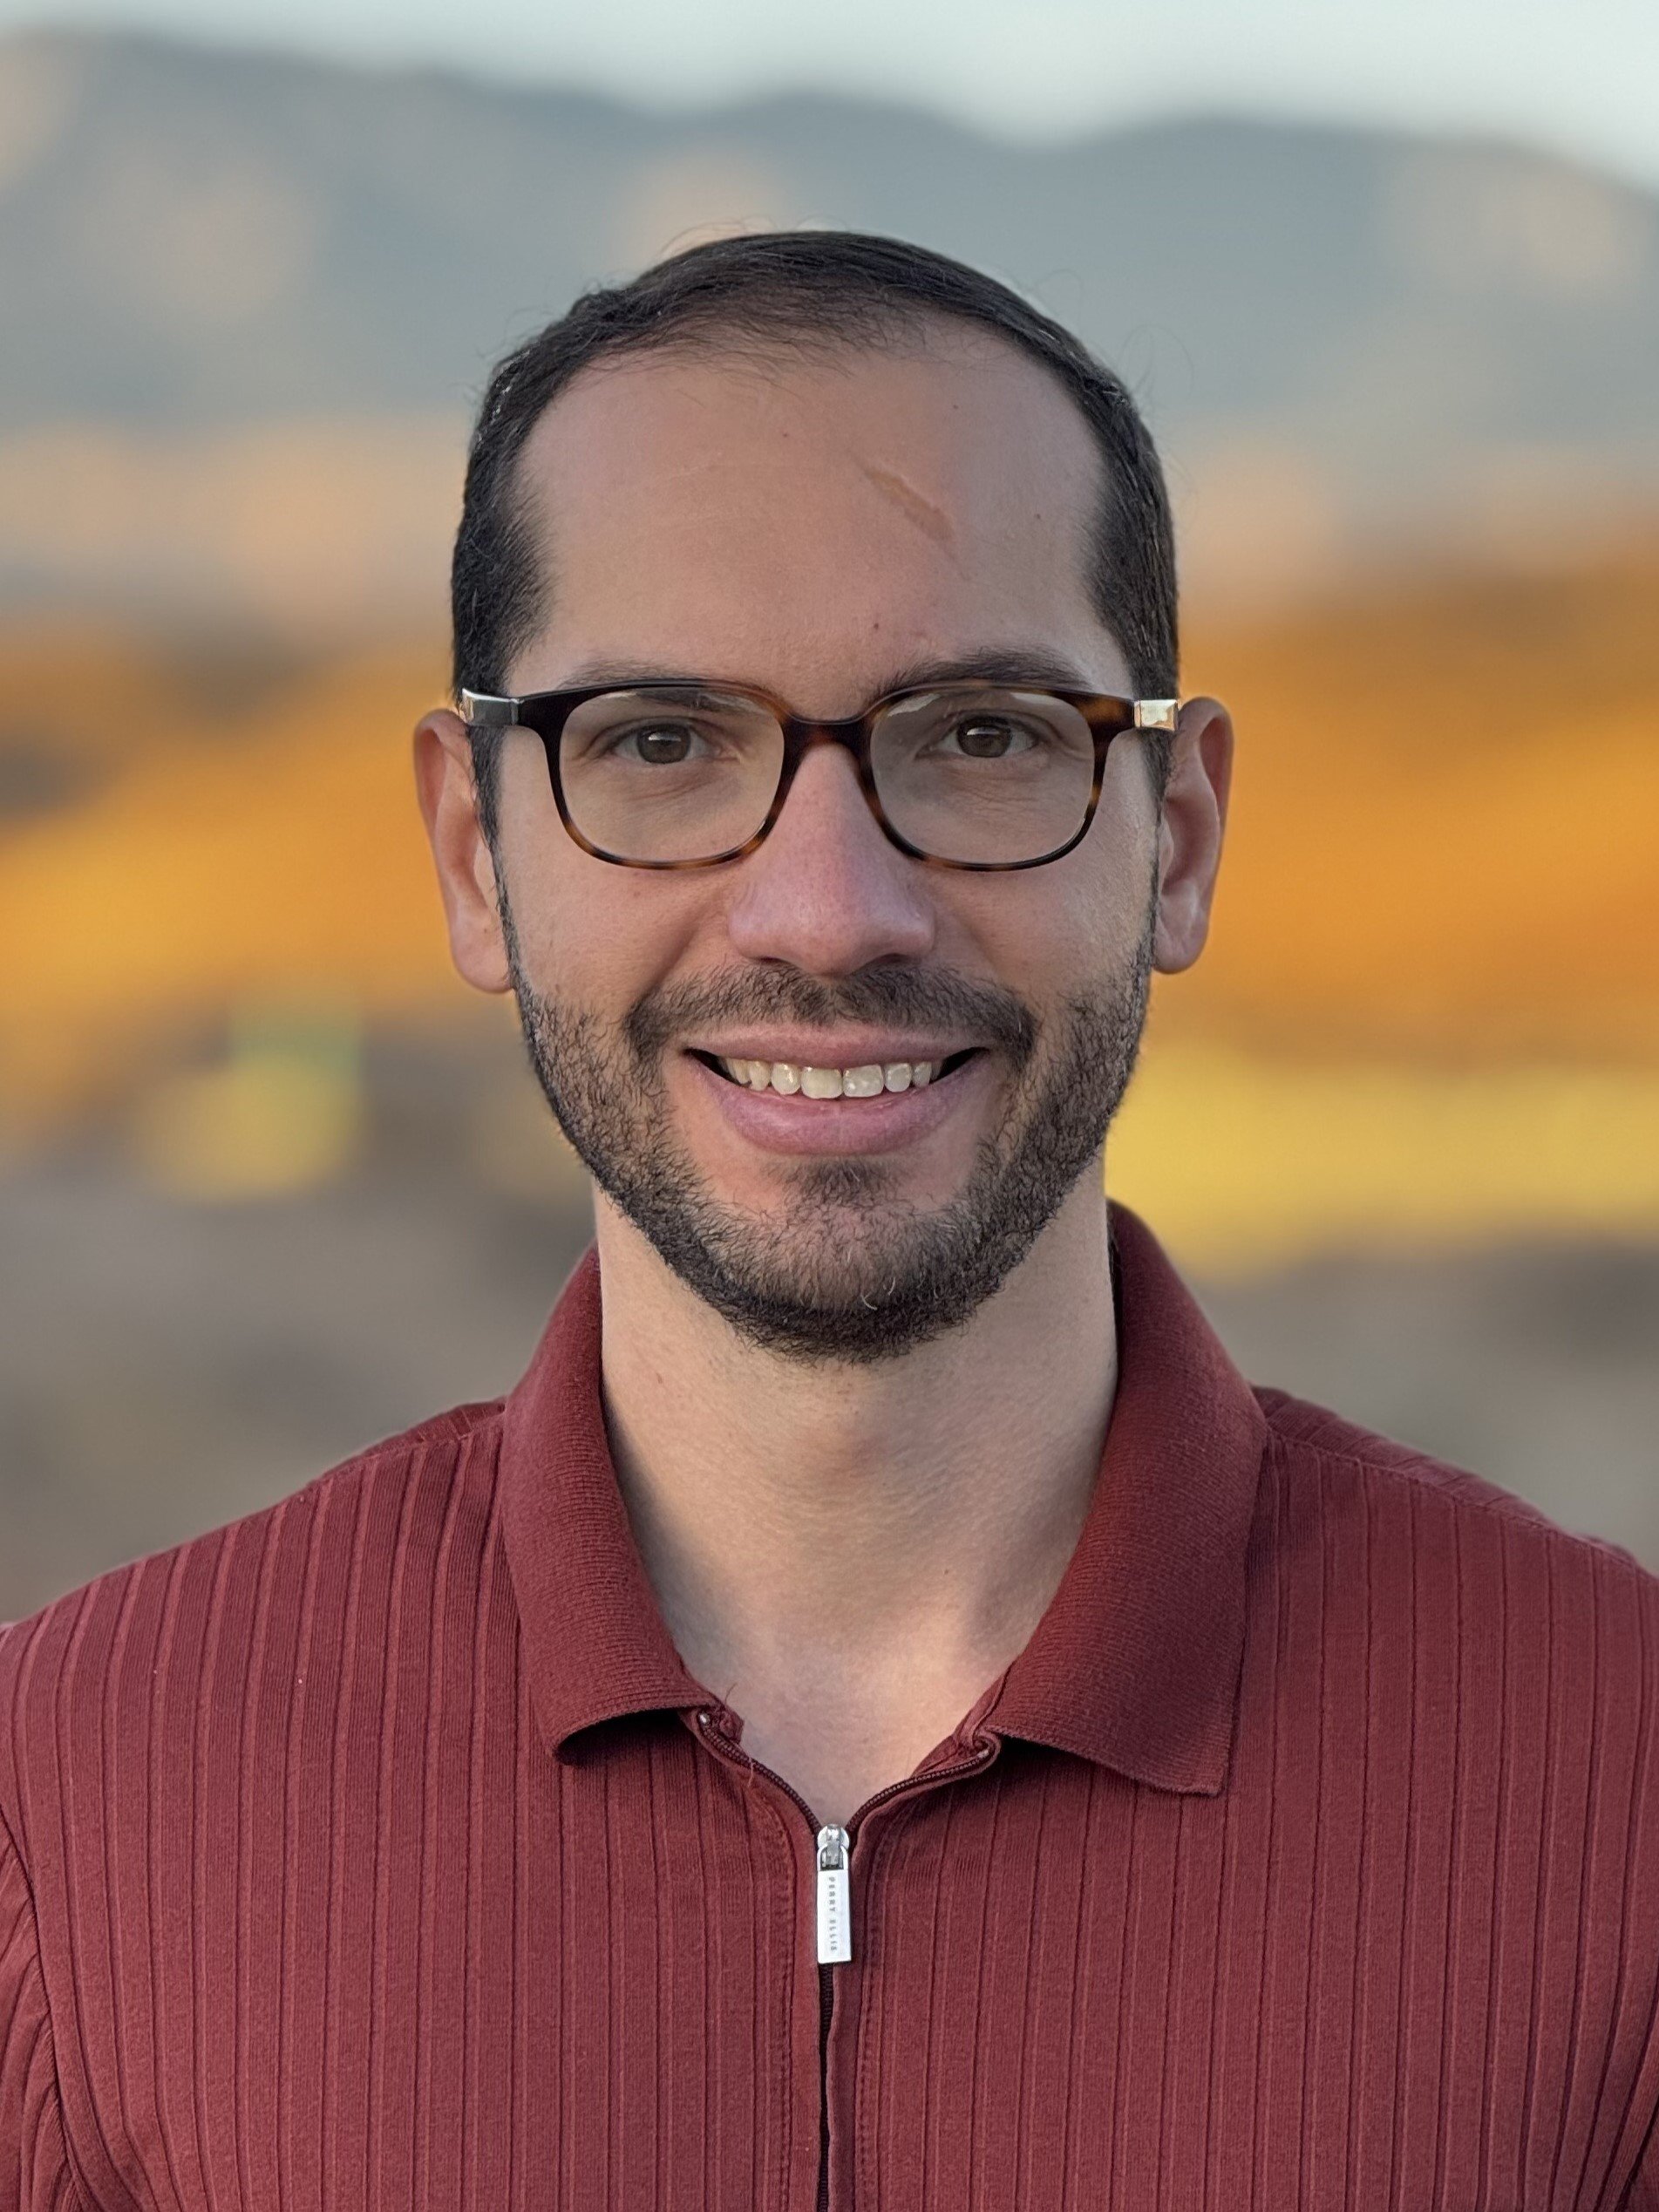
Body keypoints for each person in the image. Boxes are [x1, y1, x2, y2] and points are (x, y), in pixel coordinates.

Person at [3, 231, 1656, 2212]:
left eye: (976, 736)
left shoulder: (1615, 1779)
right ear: (472, 852)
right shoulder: (71, 1799)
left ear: (1179, 839)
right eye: (660, 743)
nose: (825, 909)